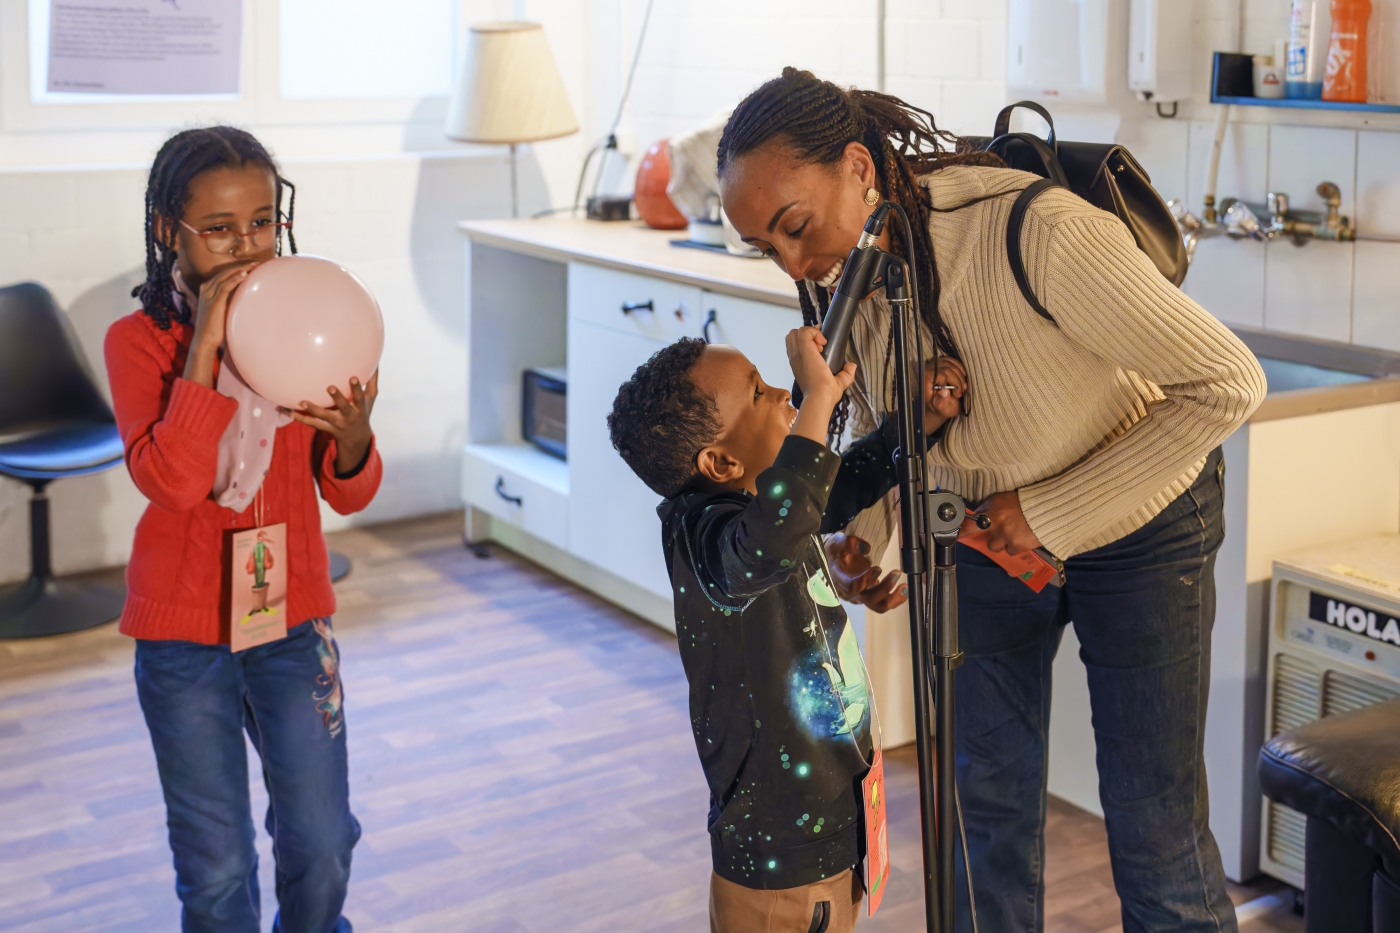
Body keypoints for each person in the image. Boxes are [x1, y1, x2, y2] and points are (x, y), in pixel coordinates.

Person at [716, 68, 1267, 933]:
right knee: (983, 811)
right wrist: (865, 531)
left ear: (859, 166)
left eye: (794, 226)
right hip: (978, 534)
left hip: (1145, 519)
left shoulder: (1033, 229)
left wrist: (1047, 515)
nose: (792, 263)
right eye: (765, 246)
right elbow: (879, 409)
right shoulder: (841, 267)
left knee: (1152, 822)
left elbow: (1229, 381)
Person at [104, 126, 382, 933]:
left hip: (292, 621)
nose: (245, 245)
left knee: (324, 839)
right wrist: (205, 351)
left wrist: (355, 433)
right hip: (181, 638)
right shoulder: (139, 342)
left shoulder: (312, 320)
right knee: (217, 866)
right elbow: (173, 481)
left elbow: (351, 489)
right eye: (218, 227)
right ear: (168, 231)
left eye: (261, 221)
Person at [607, 328, 961, 933]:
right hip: (780, 854)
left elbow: (837, 487)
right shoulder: (707, 537)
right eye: (759, 393)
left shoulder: (759, 511)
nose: (782, 394)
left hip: (832, 820)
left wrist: (918, 421)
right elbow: (776, 531)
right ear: (721, 463)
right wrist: (819, 402)